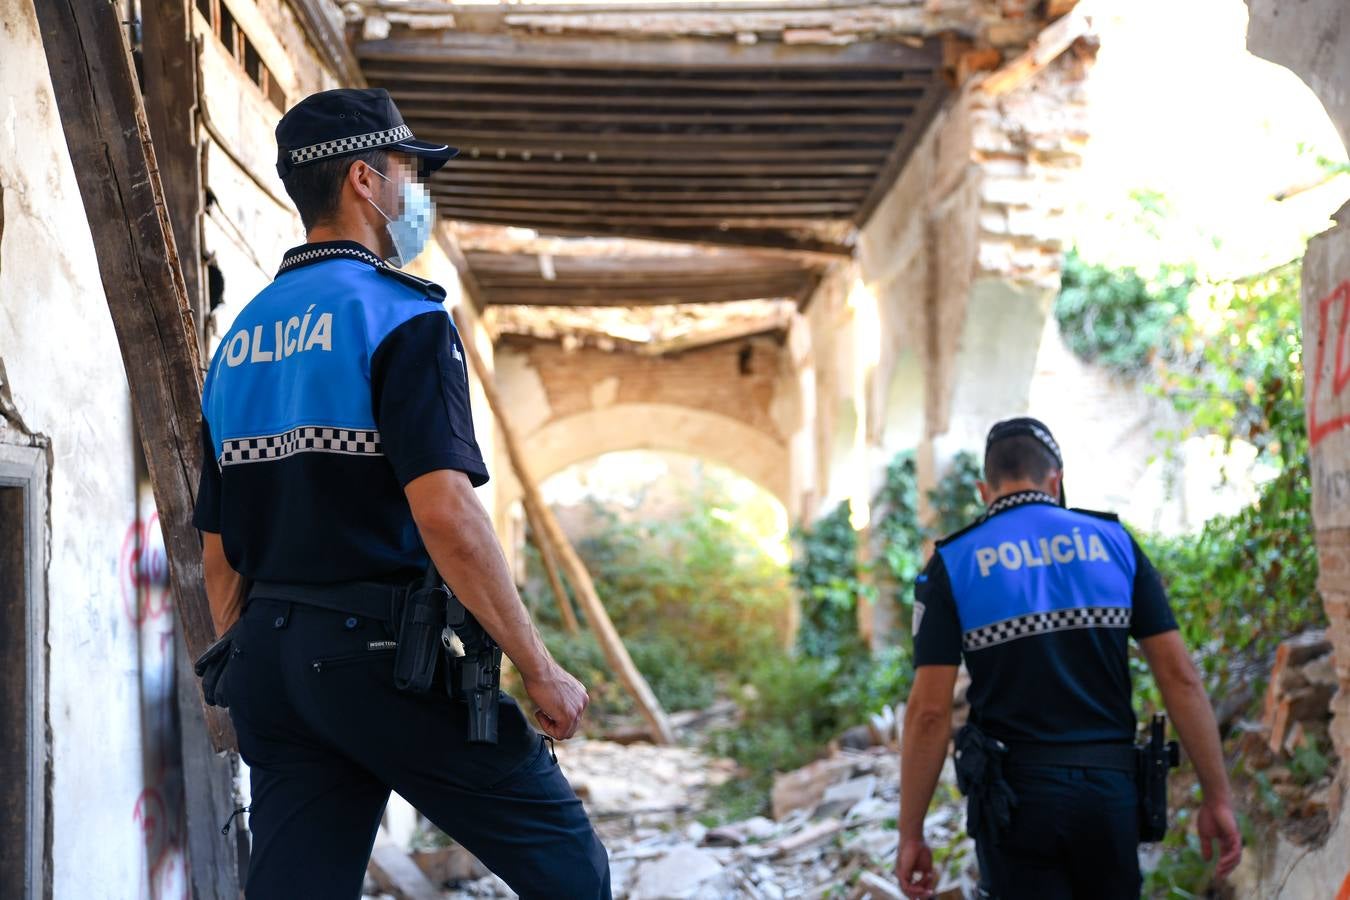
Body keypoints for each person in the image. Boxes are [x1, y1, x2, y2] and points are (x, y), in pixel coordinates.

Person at [193, 87, 611, 899]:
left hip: (270, 660)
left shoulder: (240, 338)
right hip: (378, 656)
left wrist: (252, 665)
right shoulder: (400, 318)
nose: (418, 193)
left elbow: (216, 548)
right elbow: (447, 514)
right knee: (566, 861)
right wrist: (540, 666)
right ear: (363, 179)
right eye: (410, 172)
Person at [894, 418, 1242, 899]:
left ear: (983, 490)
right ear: (1055, 480)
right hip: (1110, 796)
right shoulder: (1116, 545)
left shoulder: (953, 564)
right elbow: (1180, 678)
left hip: (1016, 804)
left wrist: (910, 833)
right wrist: (1218, 797)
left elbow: (929, 713)